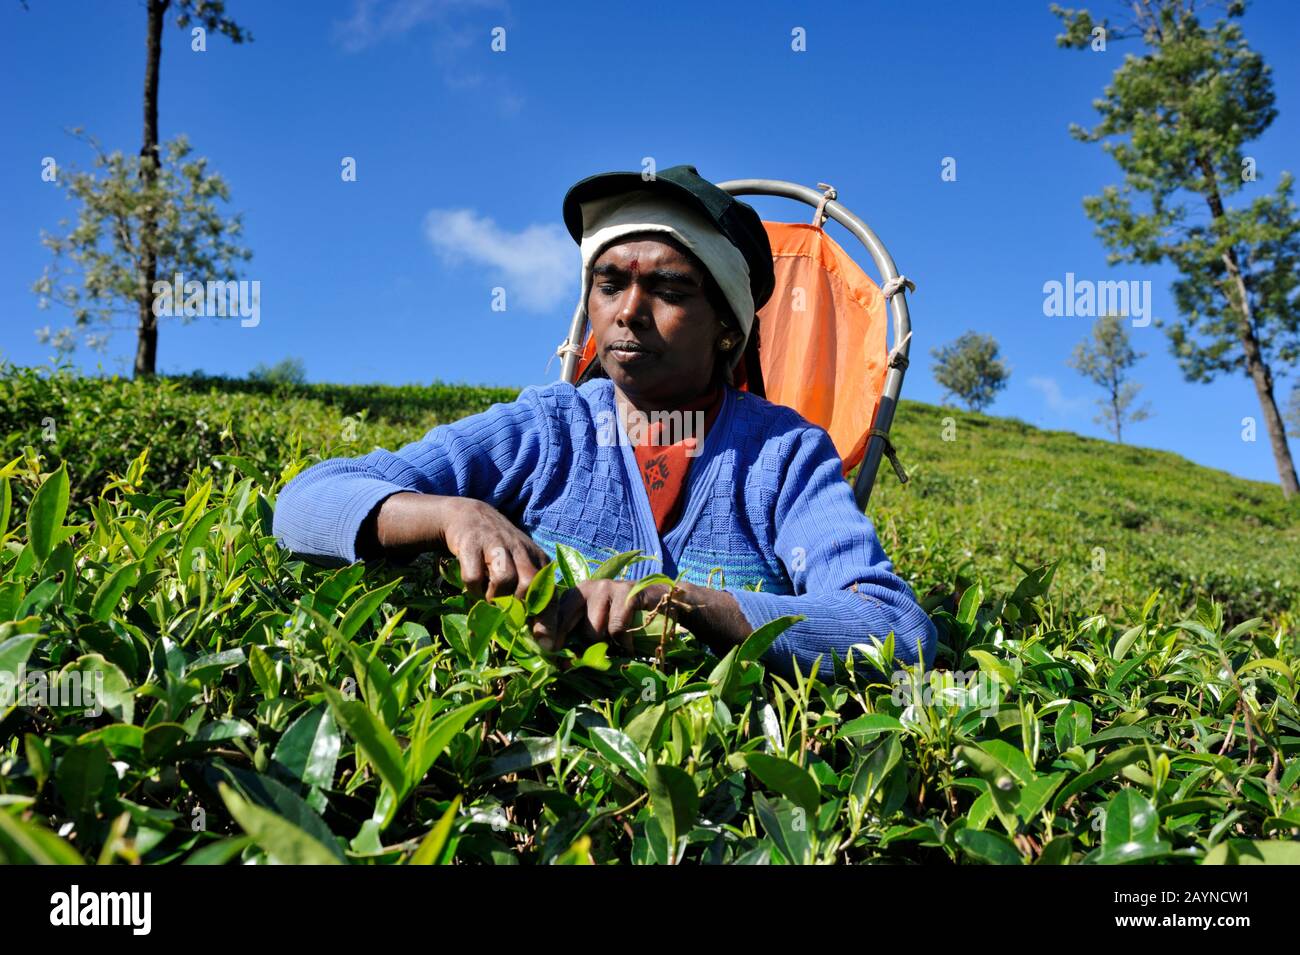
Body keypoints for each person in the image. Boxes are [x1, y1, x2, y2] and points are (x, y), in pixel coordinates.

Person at [272, 164, 936, 680]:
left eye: (670, 290)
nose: (629, 311)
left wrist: (684, 606)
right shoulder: (548, 429)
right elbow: (305, 500)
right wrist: (451, 514)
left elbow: (893, 628)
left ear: (728, 329)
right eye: (609, 284)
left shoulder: (784, 456)